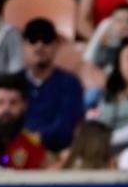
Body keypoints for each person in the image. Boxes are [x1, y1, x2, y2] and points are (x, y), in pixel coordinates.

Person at [18, 19, 85, 155]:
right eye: (32, 40)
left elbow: (65, 129)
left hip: (54, 154)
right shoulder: (12, 82)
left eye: (46, 40)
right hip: (13, 154)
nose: (39, 46)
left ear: (56, 45)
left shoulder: (70, 83)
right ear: (23, 45)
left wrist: (33, 139)